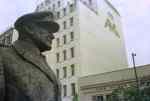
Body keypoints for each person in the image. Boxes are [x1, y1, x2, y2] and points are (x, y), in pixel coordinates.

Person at [0, 11, 61, 101]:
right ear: (29, 28)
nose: (52, 36)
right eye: (48, 29)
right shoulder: (3, 55)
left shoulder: (44, 64)